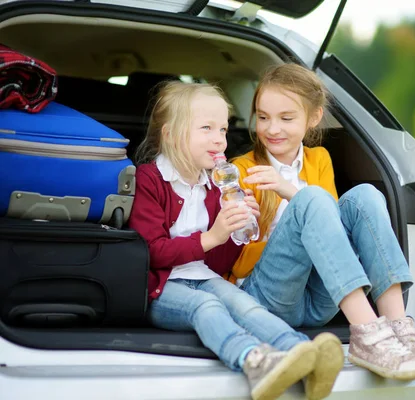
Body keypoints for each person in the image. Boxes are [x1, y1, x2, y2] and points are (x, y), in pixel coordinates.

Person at [231, 64, 415, 381]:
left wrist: (290, 192)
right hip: (269, 299)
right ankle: (367, 333)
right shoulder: (242, 170)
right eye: (263, 116)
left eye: (286, 118)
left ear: (313, 118)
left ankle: (400, 331)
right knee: (313, 199)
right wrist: (259, 215)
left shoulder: (319, 159)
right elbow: (236, 263)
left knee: (365, 195)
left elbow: (331, 229)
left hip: (320, 300)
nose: (272, 128)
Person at [128, 81, 344, 400]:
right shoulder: (150, 179)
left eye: (224, 129)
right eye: (207, 128)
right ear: (172, 135)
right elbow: (151, 252)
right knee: (207, 305)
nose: (220, 139)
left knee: (246, 306)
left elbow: (220, 262)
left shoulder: (217, 185)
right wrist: (212, 235)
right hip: (161, 290)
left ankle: (301, 354)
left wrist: (238, 228)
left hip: (205, 277)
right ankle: (254, 362)